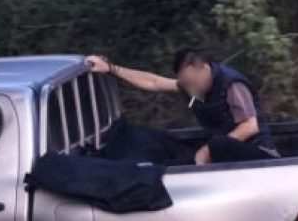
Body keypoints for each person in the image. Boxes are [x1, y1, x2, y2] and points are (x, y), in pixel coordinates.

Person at [86, 49, 279, 165]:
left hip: (256, 153)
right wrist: (112, 69)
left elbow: (250, 126)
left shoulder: (231, 85)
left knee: (217, 144)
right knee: (161, 139)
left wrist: (207, 149)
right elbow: (153, 82)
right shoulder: (190, 85)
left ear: (204, 68)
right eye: (185, 83)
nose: (189, 87)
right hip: (220, 148)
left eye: (192, 81)